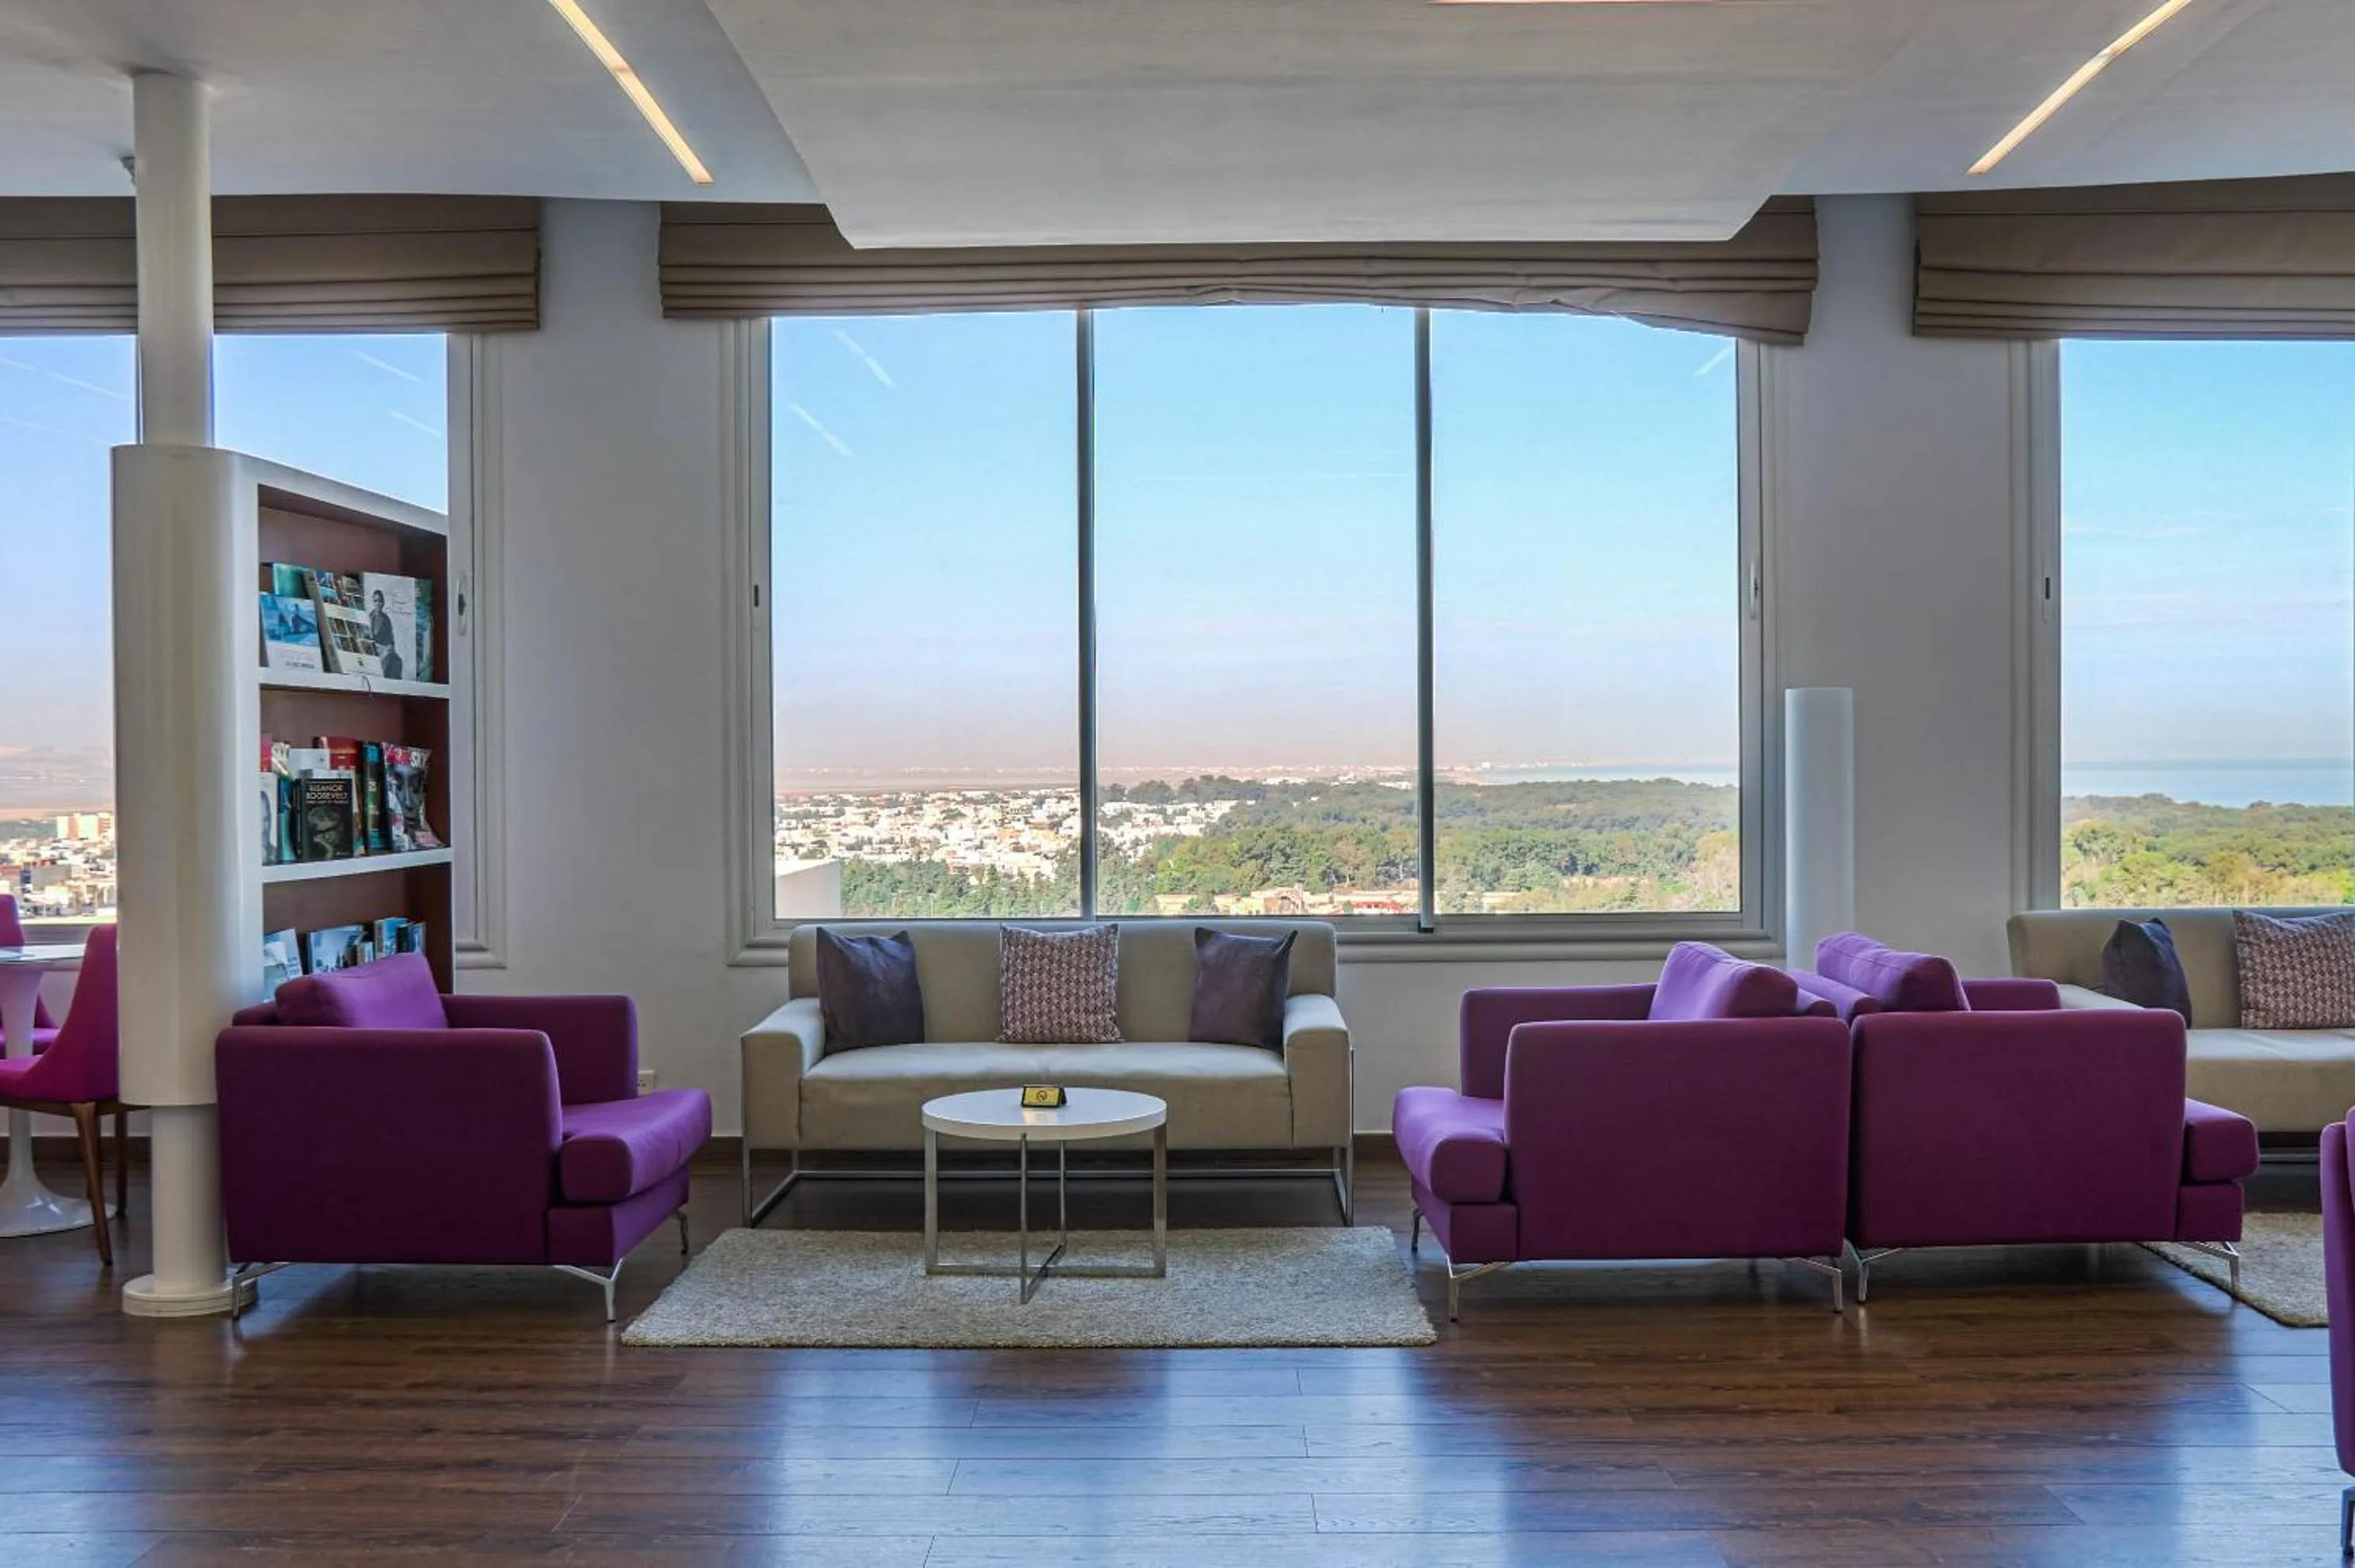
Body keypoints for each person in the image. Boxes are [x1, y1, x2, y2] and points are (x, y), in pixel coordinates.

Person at [368, 589, 404, 679]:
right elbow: (367, 636)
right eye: (376, 601)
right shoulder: (370, 617)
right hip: (373, 647)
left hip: (384, 648)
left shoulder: (386, 619)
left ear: (383, 603)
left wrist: (390, 646)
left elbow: (390, 637)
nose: (378, 604)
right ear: (373, 602)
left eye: (380, 601)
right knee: (387, 658)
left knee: (397, 660)